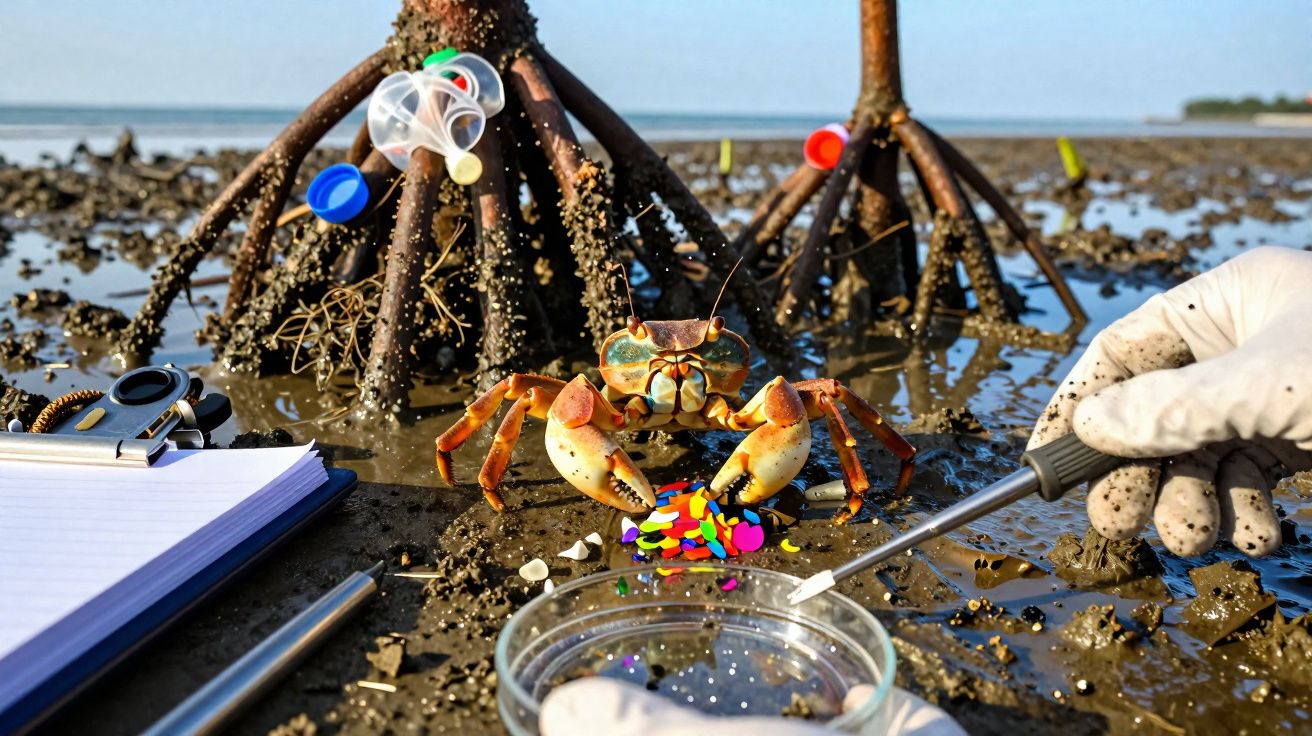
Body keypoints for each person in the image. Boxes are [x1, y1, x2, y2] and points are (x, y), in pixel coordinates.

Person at [538, 246, 1312, 734]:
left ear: (725, 353)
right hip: (620, 427)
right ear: (622, 354)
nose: (678, 367)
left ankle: (869, 468)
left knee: (824, 395)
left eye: (702, 355)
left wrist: (869, 469)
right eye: (651, 356)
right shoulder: (601, 386)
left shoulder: (744, 385)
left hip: (738, 430)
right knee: (531, 394)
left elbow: (821, 402)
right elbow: (533, 408)